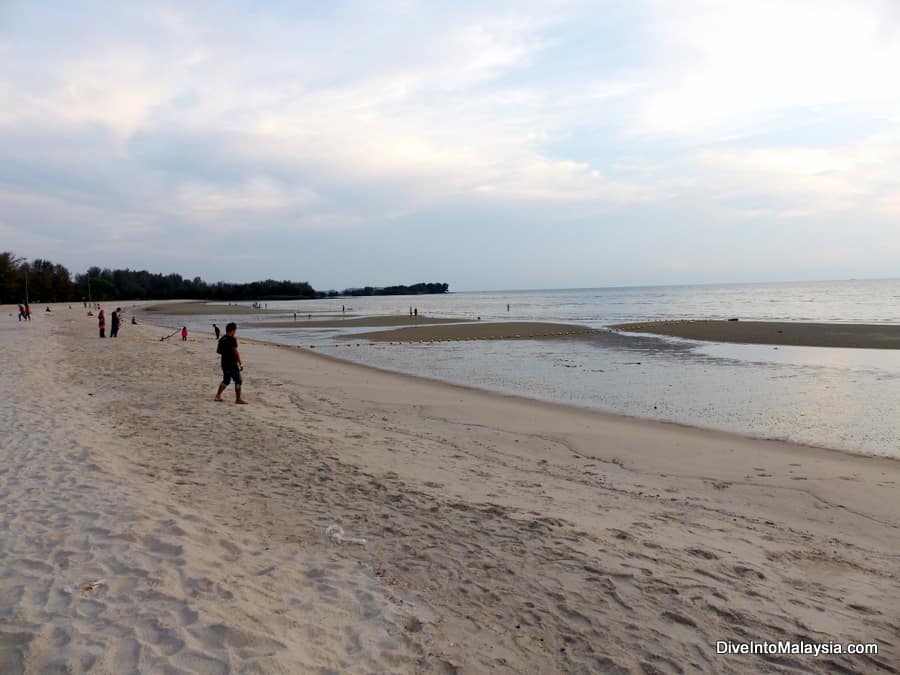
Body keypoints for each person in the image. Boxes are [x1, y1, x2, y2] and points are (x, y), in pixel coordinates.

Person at [214, 322, 246, 404]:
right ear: (233, 330)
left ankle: (218, 396)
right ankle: (238, 399)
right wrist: (240, 363)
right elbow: (235, 352)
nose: (235, 332)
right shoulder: (232, 339)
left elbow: (218, 351)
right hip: (232, 363)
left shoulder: (222, 339)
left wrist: (225, 353)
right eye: (235, 330)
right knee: (238, 380)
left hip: (224, 363)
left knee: (226, 380)